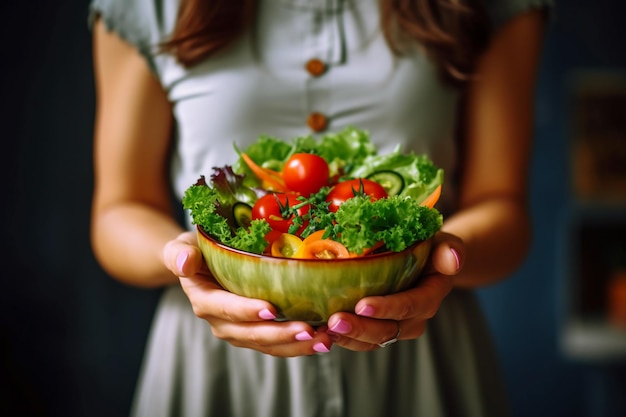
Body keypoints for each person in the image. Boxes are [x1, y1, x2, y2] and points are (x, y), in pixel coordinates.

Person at [88, 0, 552, 415]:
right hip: (215, 357)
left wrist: (438, 258)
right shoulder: (146, 7)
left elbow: (502, 206)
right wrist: (188, 258)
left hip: (421, 350)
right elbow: (120, 209)